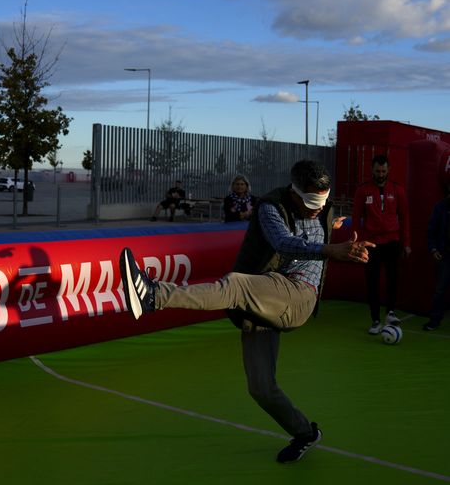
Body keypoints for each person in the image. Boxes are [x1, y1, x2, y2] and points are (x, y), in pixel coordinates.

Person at [120, 160, 374, 464]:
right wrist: (328, 249)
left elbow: (326, 219)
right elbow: (283, 242)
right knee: (261, 388)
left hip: (299, 296)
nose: (317, 209)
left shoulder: (325, 210)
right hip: (268, 293)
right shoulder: (271, 208)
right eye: (310, 202)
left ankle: (153, 295)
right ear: (293, 192)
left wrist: (333, 232)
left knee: (237, 285)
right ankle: (305, 433)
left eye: (322, 201)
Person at [351, 154, 411, 335]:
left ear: (388, 170)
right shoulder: (363, 190)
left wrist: (406, 243)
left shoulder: (398, 190)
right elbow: (355, 219)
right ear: (372, 170)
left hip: (392, 241)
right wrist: (355, 243)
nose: (380, 174)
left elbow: (405, 218)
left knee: (393, 278)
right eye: (377, 171)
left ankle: (390, 312)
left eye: (383, 171)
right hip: (371, 243)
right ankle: (375, 320)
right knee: (372, 282)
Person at [425, 183, 450, 331]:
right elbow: (431, 229)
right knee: (440, 289)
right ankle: (435, 319)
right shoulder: (440, 207)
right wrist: (433, 249)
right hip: (445, 254)